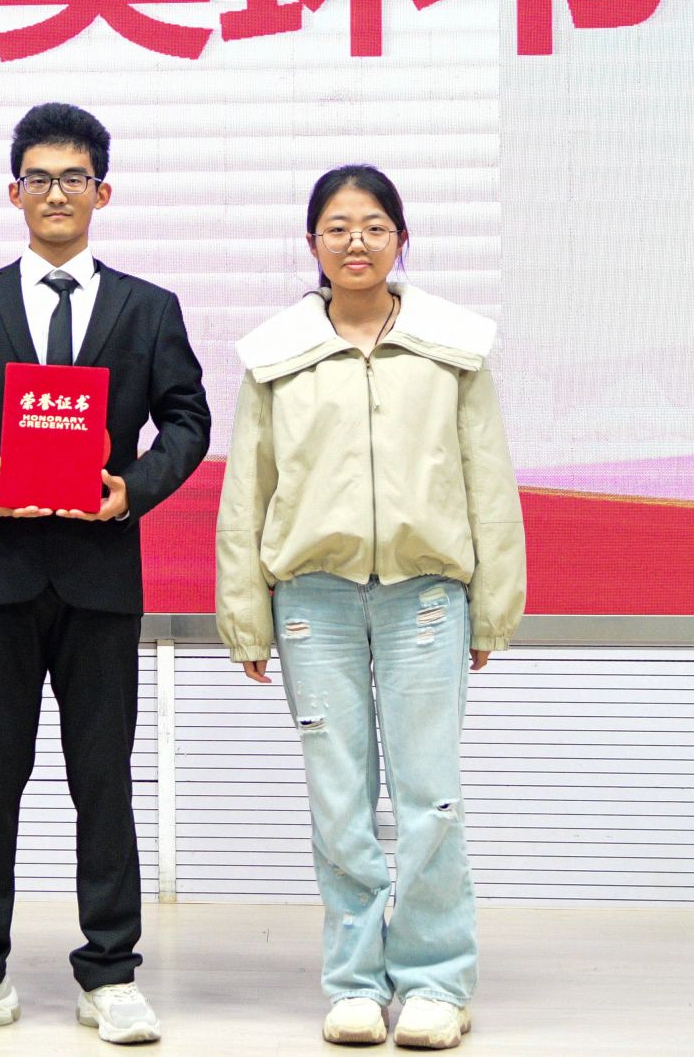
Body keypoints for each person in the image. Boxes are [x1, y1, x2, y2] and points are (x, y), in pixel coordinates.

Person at [0, 103, 211, 1045]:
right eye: (39, 178)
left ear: (102, 192)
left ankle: (110, 972)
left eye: (74, 178)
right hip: (1, 573)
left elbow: (188, 420)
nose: (56, 194)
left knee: (102, 779)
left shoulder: (148, 308)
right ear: (14, 193)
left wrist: (133, 491)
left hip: (102, 575)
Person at [214, 164, 525, 1050]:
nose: (357, 242)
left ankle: (434, 981)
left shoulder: (452, 349)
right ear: (312, 242)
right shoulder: (276, 355)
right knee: (338, 798)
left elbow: (488, 478)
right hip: (311, 598)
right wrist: (245, 612)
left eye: (375, 226)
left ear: (401, 239)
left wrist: (494, 606)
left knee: (430, 795)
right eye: (338, 227)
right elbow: (247, 490)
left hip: (426, 596)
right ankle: (353, 981)